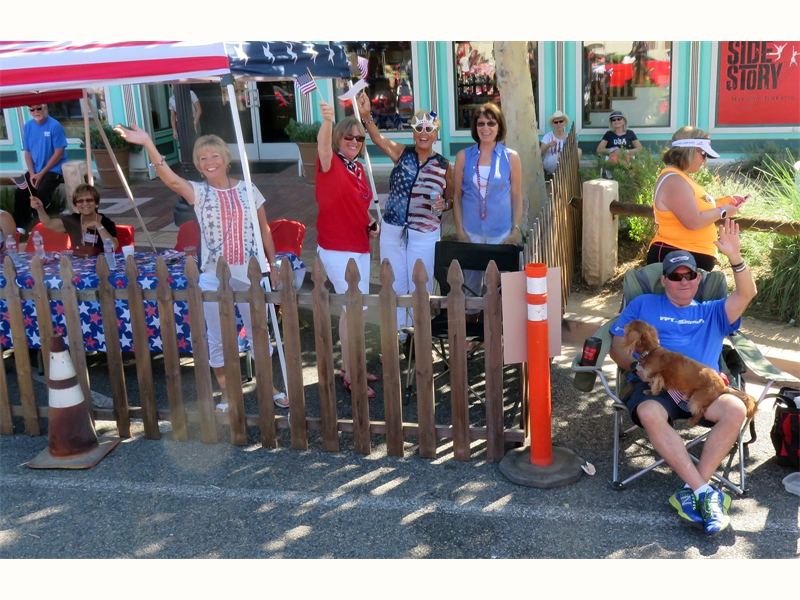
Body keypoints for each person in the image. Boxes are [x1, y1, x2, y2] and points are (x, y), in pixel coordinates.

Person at [113, 124, 288, 412]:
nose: (209, 162)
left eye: (214, 156)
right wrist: (148, 144)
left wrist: (274, 265)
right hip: (212, 276)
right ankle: (227, 394)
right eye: (202, 158)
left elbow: (264, 229)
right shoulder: (199, 192)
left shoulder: (248, 189)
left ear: (225, 158)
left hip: (250, 273)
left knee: (258, 332)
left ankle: (269, 387)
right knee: (217, 338)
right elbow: (170, 180)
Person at [609, 221, 757, 536]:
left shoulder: (714, 311)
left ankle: (694, 489)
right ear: (664, 280)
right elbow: (617, 347)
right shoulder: (643, 304)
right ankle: (704, 493)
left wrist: (735, 257)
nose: (683, 281)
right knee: (649, 413)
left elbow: (747, 293)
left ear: (698, 278)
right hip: (657, 385)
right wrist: (636, 368)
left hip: (703, 388)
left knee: (735, 409)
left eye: (689, 275)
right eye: (675, 276)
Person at [356, 93, 453, 334]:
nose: (423, 133)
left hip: (425, 234)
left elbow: (451, 199)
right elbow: (377, 139)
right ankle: (399, 336)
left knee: (420, 286)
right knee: (395, 286)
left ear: (436, 134)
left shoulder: (444, 165)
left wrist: (445, 204)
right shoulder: (402, 153)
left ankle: (419, 337)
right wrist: (367, 116)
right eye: (419, 128)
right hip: (393, 230)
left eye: (429, 129)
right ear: (413, 132)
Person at [316, 100, 380, 398]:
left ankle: (349, 366)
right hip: (337, 246)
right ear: (338, 138)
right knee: (354, 309)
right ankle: (353, 374)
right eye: (348, 137)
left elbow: (358, 205)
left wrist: (370, 222)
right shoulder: (330, 163)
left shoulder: (358, 169)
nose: (354, 142)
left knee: (355, 309)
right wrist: (328, 120)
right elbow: (323, 148)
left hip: (359, 244)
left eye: (359, 138)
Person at [452, 103, 523, 312]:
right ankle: (470, 330)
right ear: (475, 127)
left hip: (500, 234)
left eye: (491, 123)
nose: (486, 128)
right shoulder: (464, 156)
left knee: (501, 290)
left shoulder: (511, 157)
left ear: (499, 127)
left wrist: (515, 229)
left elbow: (517, 196)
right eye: (481, 123)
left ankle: (499, 330)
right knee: (470, 289)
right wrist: (460, 230)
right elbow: (456, 196)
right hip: (471, 232)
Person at [647, 128, 744, 271]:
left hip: (684, 258)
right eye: (704, 153)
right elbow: (693, 222)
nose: (705, 160)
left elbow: (693, 209)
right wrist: (722, 211)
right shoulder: (674, 180)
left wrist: (722, 203)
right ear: (689, 151)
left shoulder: (680, 177)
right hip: (676, 257)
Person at [14, 104, 68, 231]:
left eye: (38, 108)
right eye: (32, 109)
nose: (35, 112)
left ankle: (41, 225)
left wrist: (41, 173)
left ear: (45, 108)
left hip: (54, 169)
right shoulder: (27, 126)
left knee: (41, 193)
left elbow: (59, 153)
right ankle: (21, 227)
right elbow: (27, 152)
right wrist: (32, 173)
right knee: (20, 192)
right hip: (35, 170)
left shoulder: (55, 125)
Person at [30, 184, 118, 253]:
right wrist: (39, 208)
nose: (85, 203)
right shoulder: (73, 220)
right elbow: (48, 224)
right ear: (76, 205)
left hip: (101, 263)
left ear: (96, 204)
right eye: (80, 201)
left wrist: (97, 224)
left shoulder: (106, 222)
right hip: (79, 263)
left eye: (89, 200)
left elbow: (113, 246)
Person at [596, 111, 642, 178]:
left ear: (624, 121)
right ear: (611, 122)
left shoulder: (630, 133)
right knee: (616, 155)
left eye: (619, 119)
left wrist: (625, 152)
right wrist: (613, 150)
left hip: (627, 156)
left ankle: (619, 176)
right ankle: (622, 177)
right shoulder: (609, 134)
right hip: (613, 157)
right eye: (613, 120)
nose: (616, 121)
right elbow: (599, 149)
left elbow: (639, 148)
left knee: (623, 156)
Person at [540, 110, 582, 175]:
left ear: (564, 123)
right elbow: (541, 153)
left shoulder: (569, 136)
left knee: (578, 151)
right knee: (562, 154)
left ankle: (573, 172)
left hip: (567, 162)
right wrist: (549, 145)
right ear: (553, 124)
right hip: (550, 162)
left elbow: (574, 151)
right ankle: (568, 174)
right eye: (556, 122)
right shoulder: (548, 136)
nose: (558, 124)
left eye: (561, 121)